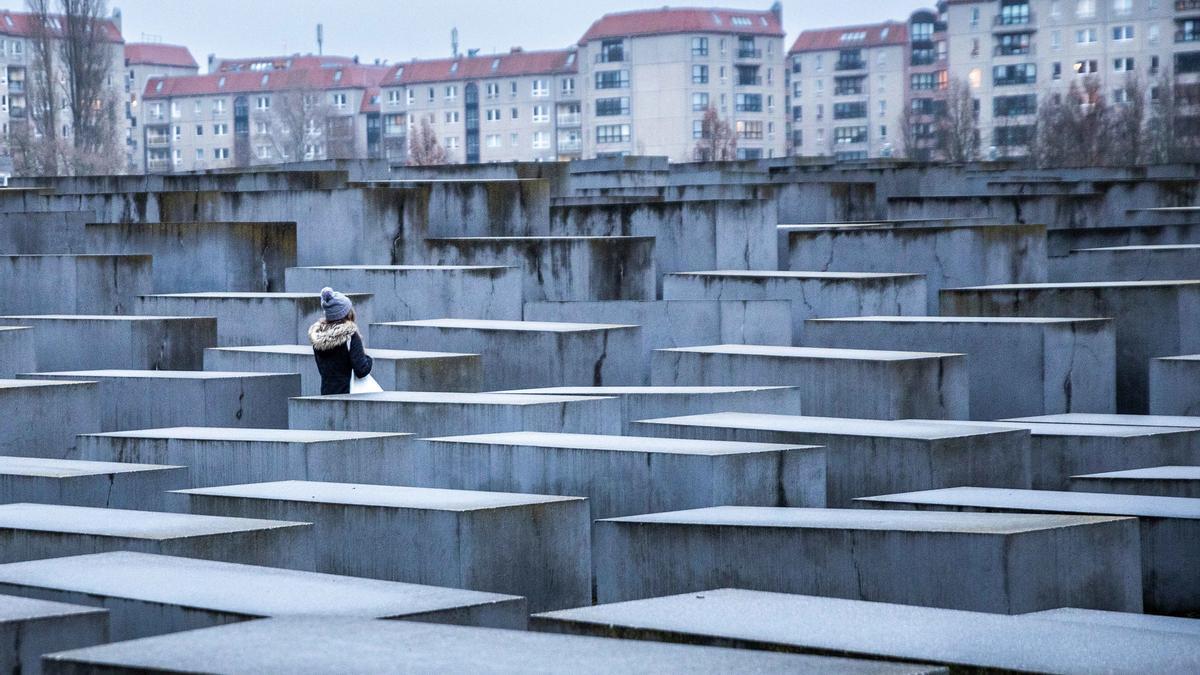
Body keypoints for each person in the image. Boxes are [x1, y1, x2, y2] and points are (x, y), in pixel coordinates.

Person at [309, 287, 373, 395]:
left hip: (326, 394)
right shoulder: (350, 335)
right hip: (348, 396)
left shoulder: (318, 338)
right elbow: (361, 370)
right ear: (347, 313)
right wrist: (368, 358)